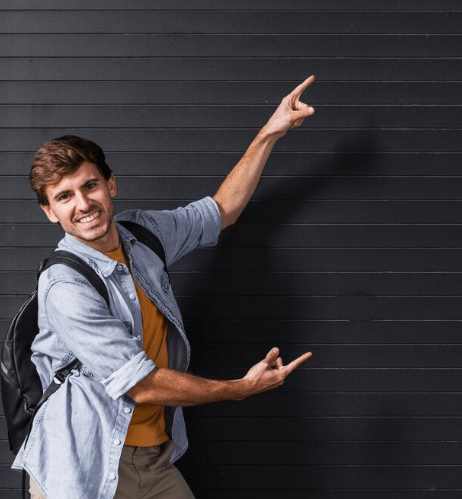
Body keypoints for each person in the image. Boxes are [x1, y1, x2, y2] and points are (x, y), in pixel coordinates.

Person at [12, 76, 317, 499]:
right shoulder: (65, 284)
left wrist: (270, 132)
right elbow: (143, 384)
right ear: (50, 212)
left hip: (152, 458)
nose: (83, 204)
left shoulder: (143, 234)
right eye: (64, 197)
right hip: (79, 464)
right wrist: (239, 390)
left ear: (110, 184)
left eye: (90, 185)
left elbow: (221, 210)